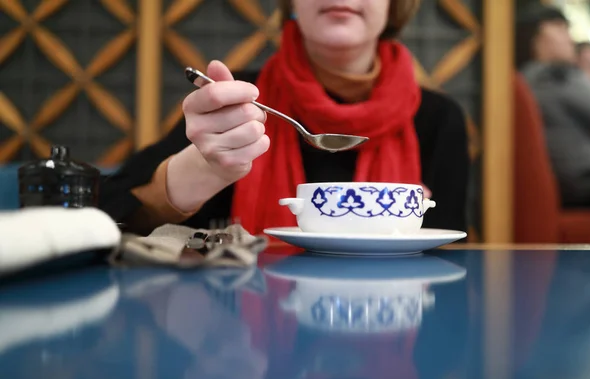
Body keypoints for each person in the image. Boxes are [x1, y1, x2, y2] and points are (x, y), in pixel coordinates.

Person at [100, 0, 470, 236]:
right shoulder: (236, 101)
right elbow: (109, 210)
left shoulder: (439, 120)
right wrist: (201, 170)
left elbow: (447, 261)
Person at [516, 5, 590, 208]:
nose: (570, 37)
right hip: (584, 181)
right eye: (561, 28)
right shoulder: (554, 76)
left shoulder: (529, 78)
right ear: (536, 36)